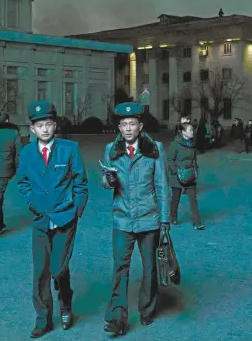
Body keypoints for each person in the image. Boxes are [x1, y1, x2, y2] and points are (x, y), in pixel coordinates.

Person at [16, 101, 88, 338]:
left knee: (58, 269)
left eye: (48, 124)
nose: (45, 129)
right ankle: (42, 319)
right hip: (40, 220)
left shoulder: (69, 149)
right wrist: (32, 203)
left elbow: (80, 182)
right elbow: (23, 182)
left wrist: (76, 209)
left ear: (55, 125)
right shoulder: (26, 152)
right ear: (32, 129)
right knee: (41, 272)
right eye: (39, 125)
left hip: (65, 218)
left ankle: (65, 303)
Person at [100, 102, 170, 336]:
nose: (128, 129)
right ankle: (116, 318)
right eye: (124, 125)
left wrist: (165, 221)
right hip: (122, 220)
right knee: (120, 268)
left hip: (149, 220)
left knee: (150, 268)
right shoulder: (111, 149)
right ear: (119, 127)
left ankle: (147, 310)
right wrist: (108, 181)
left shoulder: (155, 148)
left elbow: (161, 186)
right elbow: (104, 180)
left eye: (132, 124)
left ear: (140, 126)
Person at [168, 122, 203, 230]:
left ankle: (197, 223)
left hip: (190, 174)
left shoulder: (192, 144)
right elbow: (169, 159)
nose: (193, 132)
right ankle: (173, 218)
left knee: (193, 199)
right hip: (177, 176)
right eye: (190, 130)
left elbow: (194, 159)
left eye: (193, 130)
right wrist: (175, 171)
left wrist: (195, 170)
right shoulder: (175, 144)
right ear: (183, 132)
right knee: (176, 199)